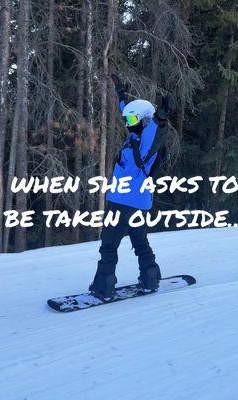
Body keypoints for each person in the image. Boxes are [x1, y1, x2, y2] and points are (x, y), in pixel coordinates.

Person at [89, 74, 174, 300]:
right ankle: (150, 277)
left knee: (109, 244)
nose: (127, 123)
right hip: (140, 203)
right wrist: (121, 95)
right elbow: (130, 114)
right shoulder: (137, 136)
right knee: (139, 241)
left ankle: (103, 286)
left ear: (142, 120)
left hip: (121, 202)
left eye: (131, 121)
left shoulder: (147, 140)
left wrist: (161, 116)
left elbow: (156, 128)